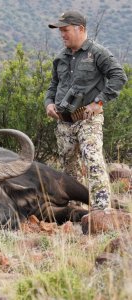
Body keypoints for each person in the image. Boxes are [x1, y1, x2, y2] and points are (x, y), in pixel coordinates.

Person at [44, 11, 127, 211]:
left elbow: (119, 76)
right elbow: (53, 85)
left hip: (88, 119)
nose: (62, 35)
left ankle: (101, 211)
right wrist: (48, 104)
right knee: (69, 169)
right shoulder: (60, 58)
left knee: (93, 161)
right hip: (64, 122)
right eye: (60, 31)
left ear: (80, 29)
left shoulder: (97, 53)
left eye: (66, 30)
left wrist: (98, 103)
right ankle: (75, 211)